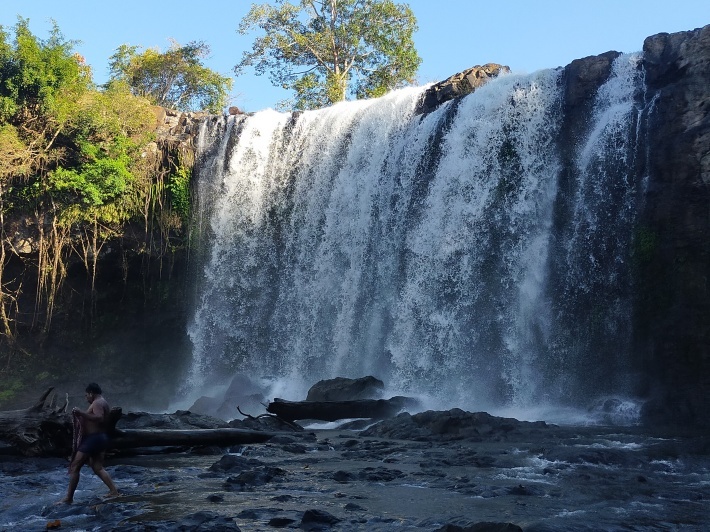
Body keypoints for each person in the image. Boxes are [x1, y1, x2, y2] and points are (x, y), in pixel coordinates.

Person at [58, 383, 119, 503]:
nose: (86, 398)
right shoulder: (102, 402)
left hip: (94, 439)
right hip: (100, 438)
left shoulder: (97, 403)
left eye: (86, 395)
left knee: (75, 466)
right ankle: (114, 491)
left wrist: (81, 413)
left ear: (91, 393)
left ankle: (69, 498)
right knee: (97, 467)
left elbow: (99, 417)